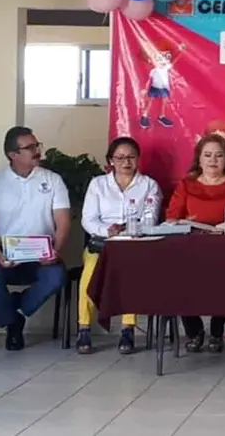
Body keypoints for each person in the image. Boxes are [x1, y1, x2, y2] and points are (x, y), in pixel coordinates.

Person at [0, 127, 69, 351]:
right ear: (13, 155)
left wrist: (55, 251)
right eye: (30, 147)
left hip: (42, 255)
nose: (37, 151)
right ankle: (13, 321)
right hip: (4, 254)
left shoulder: (52, 180)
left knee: (56, 277)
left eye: (37, 145)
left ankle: (7, 312)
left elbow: (63, 222)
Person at [166, 134, 225, 353]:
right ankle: (194, 331)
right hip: (191, 248)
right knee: (177, 278)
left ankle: (217, 331)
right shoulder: (186, 185)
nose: (213, 160)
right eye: (207, 155)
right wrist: (185, 222)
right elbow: (171, 219)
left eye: (218, 155)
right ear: (199, 159)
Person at [76, 137, 162, 355]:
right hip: (102, 244)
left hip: (133, 245)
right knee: (89, 274)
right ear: (110, 161)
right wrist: (107, 230)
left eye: (131, 157)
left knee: (130, 275)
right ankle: (84, 328)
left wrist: (129, 229)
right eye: (120, 158)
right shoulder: (98, 184)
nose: (126, 162)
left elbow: (151, 218)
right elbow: (88, 219)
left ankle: (127, 329)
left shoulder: (149, 185)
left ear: (138, 159)